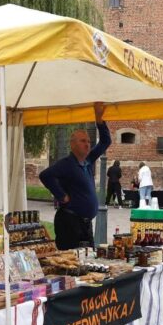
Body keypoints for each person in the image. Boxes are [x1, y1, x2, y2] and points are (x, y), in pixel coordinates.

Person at [39, 103, 110, 249]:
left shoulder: (88, 161)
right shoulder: (67, 164)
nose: (87, 144)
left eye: (89, 141)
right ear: (72, 145)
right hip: (69, 222)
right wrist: (61, 196)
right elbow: (45, 175)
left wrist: (99, 119)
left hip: (85, 223)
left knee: (88, 260)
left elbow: (105, 142)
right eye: (83, 141)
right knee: (70, 263)